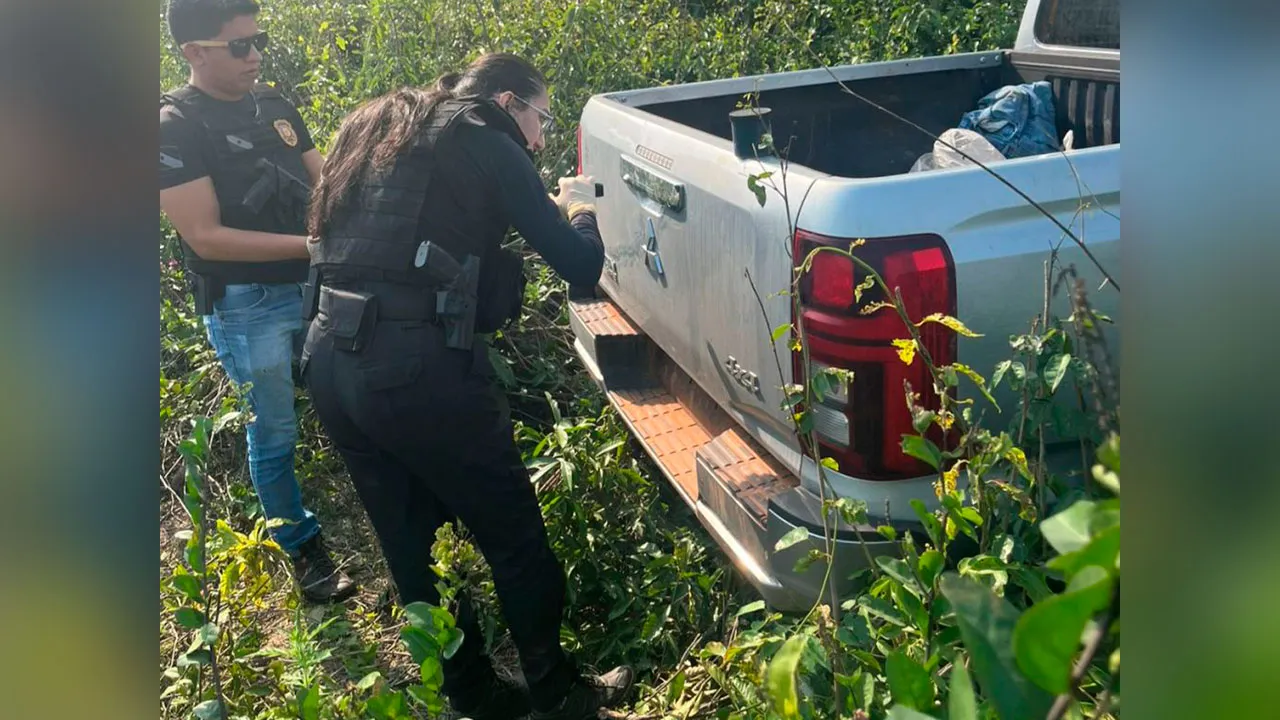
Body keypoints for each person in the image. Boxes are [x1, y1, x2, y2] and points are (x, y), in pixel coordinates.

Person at [298, 53, 633, 720]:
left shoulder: (379, 123)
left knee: (410, 545)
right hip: (414, 369)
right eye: (542, 119)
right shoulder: (486, 140)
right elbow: (579, 264)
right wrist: (577, 206)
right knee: (513, 534)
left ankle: (472, 696)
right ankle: (560, 695)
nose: (540, 138)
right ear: (509, 102)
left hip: (328, 356)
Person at [159, 0, 357, 603]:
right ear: (194, 52)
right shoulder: (174, 126)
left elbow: (325, 180)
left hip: (315, 286)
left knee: (353, 394)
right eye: (240, 46)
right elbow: (205, 236)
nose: (256, 56)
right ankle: (301, 545)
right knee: (273, 430)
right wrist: (312, 247)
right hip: (249, 304)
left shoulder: (272, 105)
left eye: (259, 41)